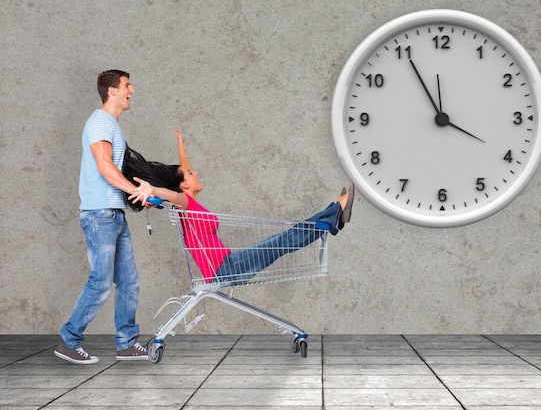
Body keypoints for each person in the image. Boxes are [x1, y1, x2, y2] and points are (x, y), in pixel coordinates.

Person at [124, 129, 354, 285]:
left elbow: (184, 172)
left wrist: (181, 147)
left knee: (284, 240)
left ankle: (333, 214)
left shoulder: (190, 201)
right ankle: (334, 213)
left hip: (226, 266)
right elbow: (173, 194)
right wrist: (153, 191)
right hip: (225, 269)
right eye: (192, 174)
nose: (196, 172)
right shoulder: (185, 204)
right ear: (185, 185)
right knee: (284, 240)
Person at [55, 70, 149, 365]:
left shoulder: (111, 125)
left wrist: (139, 194)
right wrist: (136, 191)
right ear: (112, 91)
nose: (132, 90)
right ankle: (69, 341)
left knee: (129, 282)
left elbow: (116, 172)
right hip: (100, 215)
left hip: (113, 214)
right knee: (100, 282)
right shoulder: (99, 122)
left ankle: (126, 343)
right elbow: (105, 167)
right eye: (127, 85)